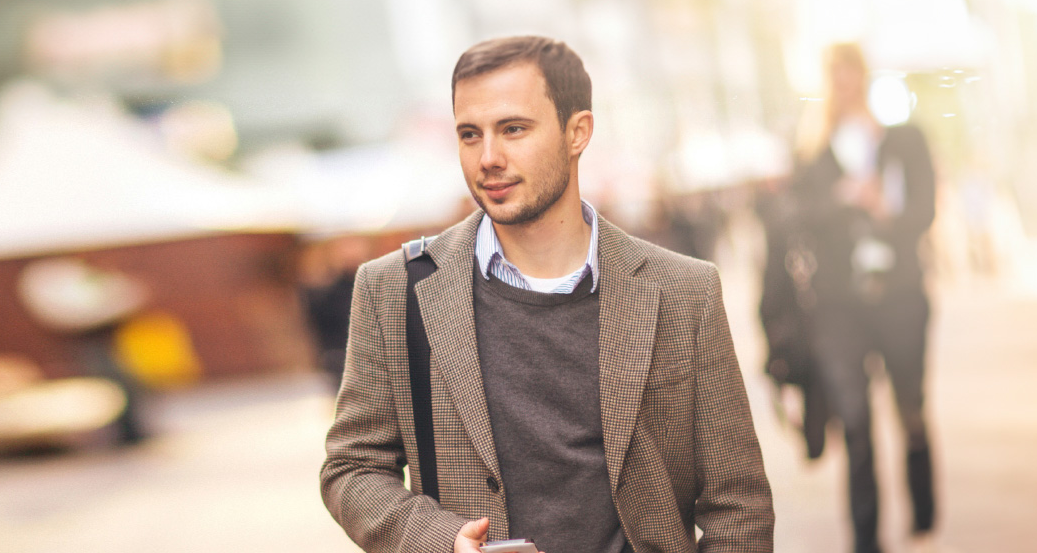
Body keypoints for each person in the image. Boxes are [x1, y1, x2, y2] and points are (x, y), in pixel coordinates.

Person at [320, 36, 773, 553]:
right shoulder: (397, 289)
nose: (488, 157)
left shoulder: (682, 292)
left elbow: (737, 503)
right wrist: (439, 540)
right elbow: (352, 468)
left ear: (577, 132)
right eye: (470, 135)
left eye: (513, 129)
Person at [791, 43, 937, 553]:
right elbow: (795, 218)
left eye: (851, 71)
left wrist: (885, 209)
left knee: (911, 408)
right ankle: (866, 538)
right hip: (839, 305)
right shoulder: (812, 152)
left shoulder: (902, 139)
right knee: (854, 420)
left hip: (899, 295)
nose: (845, 82)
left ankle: (923, 509)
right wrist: (841, 199)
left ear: (865, 75)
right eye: (836, 73)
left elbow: (925, 211)